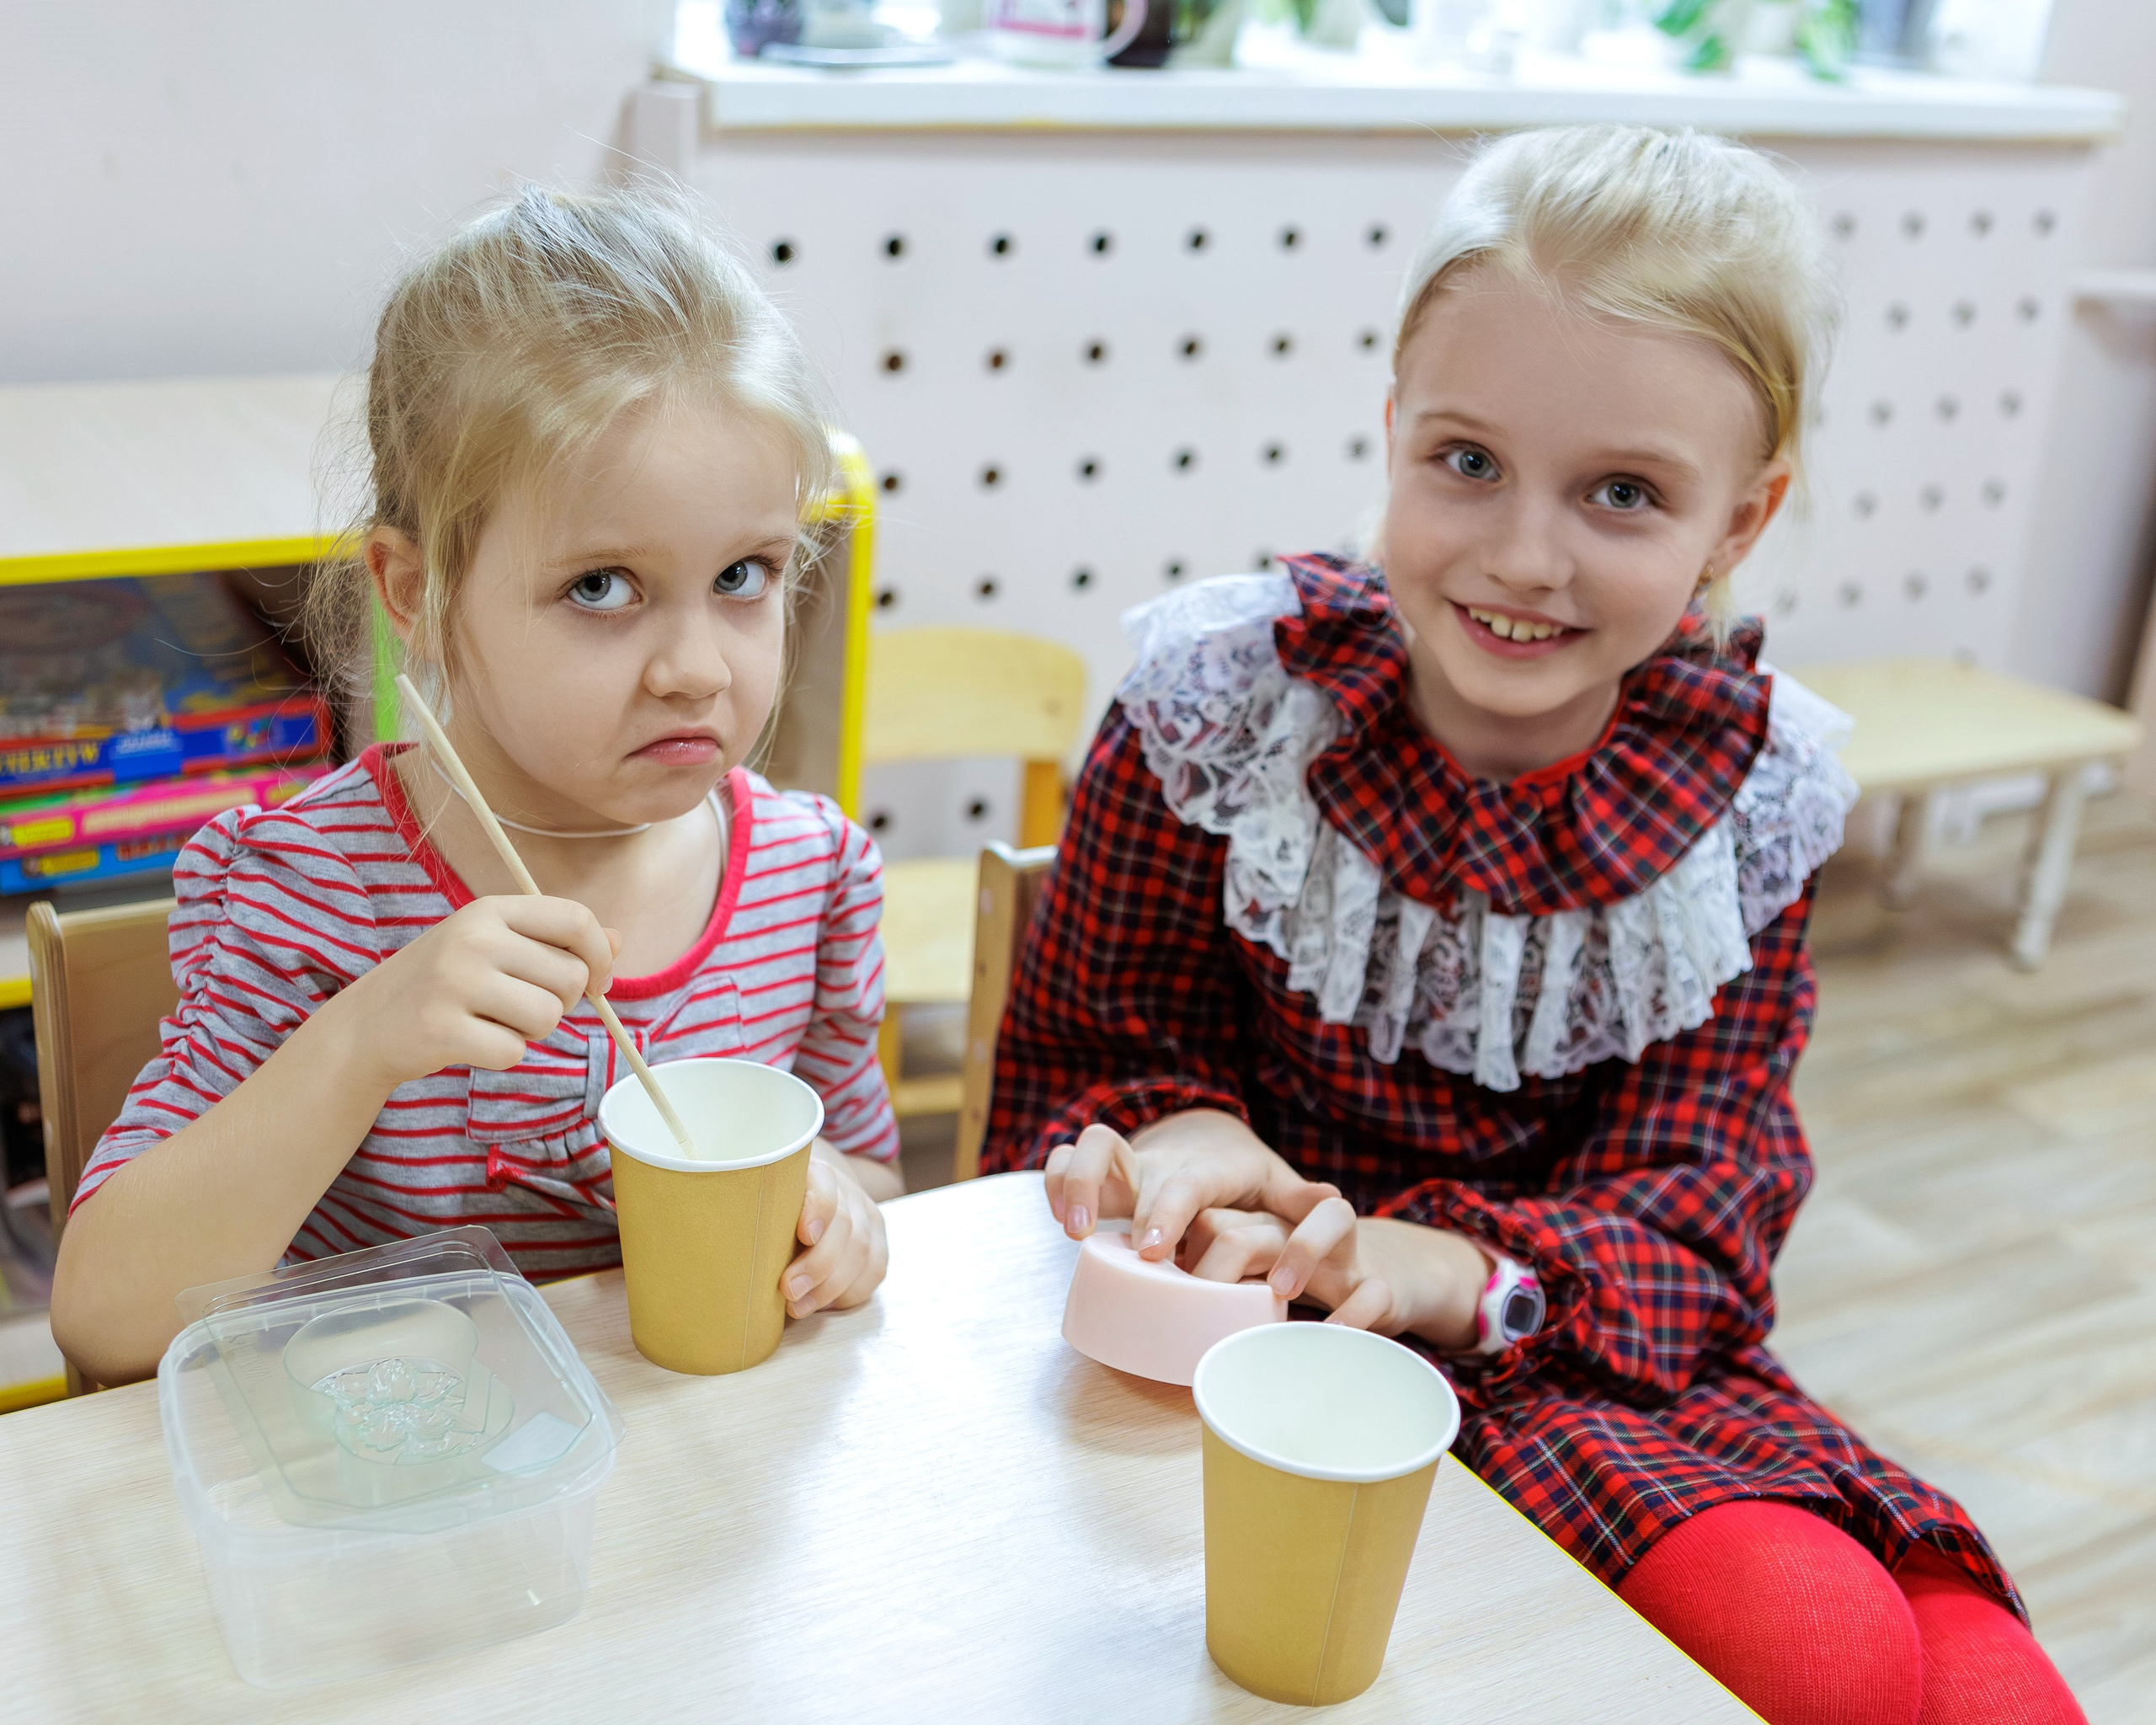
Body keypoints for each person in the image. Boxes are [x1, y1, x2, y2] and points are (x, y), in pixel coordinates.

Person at [985, 126, 2082, 1725]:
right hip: (1290, 1367)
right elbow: (1076, 1077)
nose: (1520, 556)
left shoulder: (1743, 797)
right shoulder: (1223, 713)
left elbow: (1706, 1213)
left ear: (1741, 523)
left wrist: (1454, 1264)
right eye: (1468, 461)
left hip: (1582, 1335)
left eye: (1623, 493)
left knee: (1991, 1692)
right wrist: (1185, 1133)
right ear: (1392, 431)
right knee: (1819, 1654)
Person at [52, 186, 899, 1387]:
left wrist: (831, 1209)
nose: (698, 669)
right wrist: (361, 1043)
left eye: (745, 574)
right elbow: (103, 1317)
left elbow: (867, 1174)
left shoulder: (812, 877)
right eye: (602, 587)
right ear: (416, 594)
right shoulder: (306, 892)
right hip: (401, 1520)